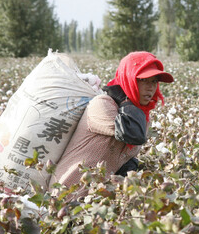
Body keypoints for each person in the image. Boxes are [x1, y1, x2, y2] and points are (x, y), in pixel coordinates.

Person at [50, 51, 174, 189]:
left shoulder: (141, 116)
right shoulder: (102, 104)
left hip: (96, 197)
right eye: (143, 80)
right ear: (128, 79)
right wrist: (127, 100)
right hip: (67, 193)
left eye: (154, 81)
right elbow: (131, 133)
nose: (150, 87)